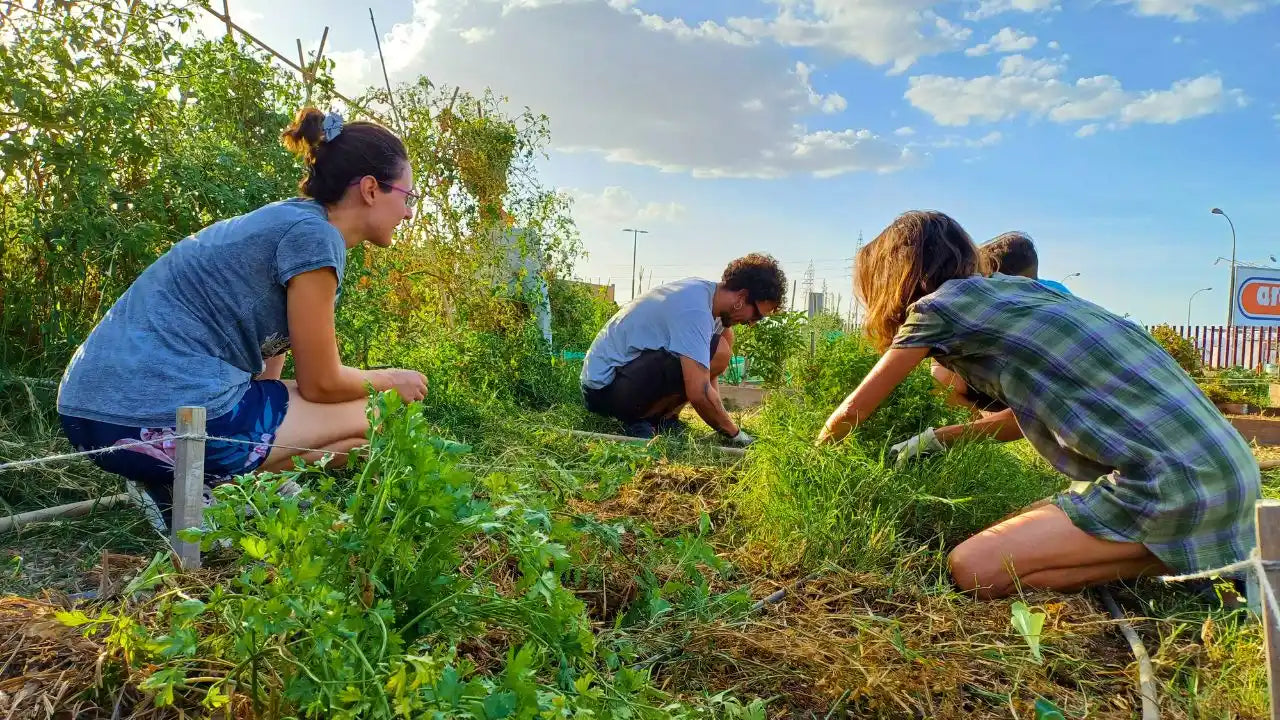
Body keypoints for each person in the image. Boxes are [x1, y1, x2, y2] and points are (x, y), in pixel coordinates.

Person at [817, 210, 1259, 599]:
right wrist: (933, 440)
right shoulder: (1024, 294)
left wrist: (812, 457)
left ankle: (1190, 562)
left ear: (895, 275)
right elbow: (1022, 419)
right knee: (1022, 522)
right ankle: (1204, 552)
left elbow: (854, 412)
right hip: (1230, 474)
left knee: (974, 568)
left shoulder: (938, 309)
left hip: (1168, 486)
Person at [56, 107, 428, 525]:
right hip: (152, 414)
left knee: (351, 433)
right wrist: (394, 379)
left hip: (92, 414)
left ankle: (214, 486)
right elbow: (322, 383)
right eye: (408, 196)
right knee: (382, 413)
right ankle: (197, 488)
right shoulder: (315, 238)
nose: (410, 212)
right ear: (371, 189)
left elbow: (272, 359)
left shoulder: (293, 222)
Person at [900, 231, 1070, 463]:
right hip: (1051, 391)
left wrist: (939, 438)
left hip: (1059, 398)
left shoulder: (1014, 301)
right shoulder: (1055, 292)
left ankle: (977, 432)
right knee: (941, 372)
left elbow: (1039, 404)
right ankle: (981, 427)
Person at [580, 254, 786, 444]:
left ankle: (665, 420)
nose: (752, 323)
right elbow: (699, 392)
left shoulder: (717, 313)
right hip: (603, 390)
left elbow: (710, 374)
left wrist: (721, 417)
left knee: (718, 350)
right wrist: (737, 435)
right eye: (757, 315)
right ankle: (638, 421)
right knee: (710, 355)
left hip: (630, 378)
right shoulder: (694, 309)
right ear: (741, 298)